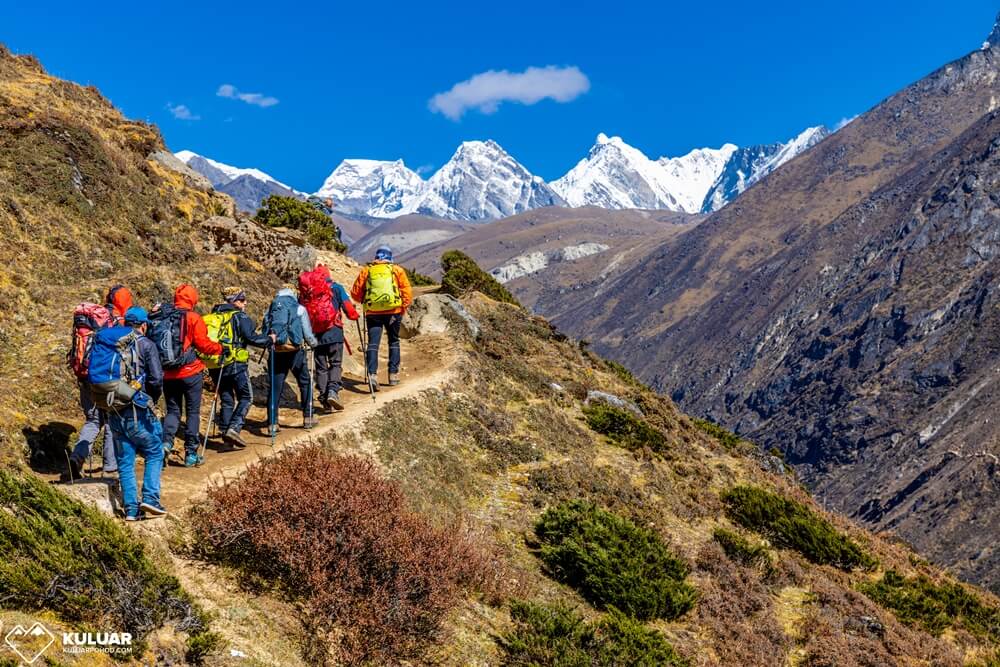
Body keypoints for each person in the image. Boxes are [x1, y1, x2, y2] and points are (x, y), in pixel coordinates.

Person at [94, 306, 165, 521]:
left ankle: (131, 510)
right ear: (143, 325)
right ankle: (151, 499)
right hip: (138, 408)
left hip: (114, 408)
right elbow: (156, 379)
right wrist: (150, 398)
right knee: (154, 451)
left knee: (125, 461)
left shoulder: (111, 345)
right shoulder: (146, 345)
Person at [157, 284, 222, 467]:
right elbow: (203, 345)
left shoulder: (164, 316)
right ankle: (191, 454)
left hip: (168, 373)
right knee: (192, 412)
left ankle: (165, 444)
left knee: (173, 411)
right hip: (191, 372)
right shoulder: (193, 317)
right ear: (193, 299)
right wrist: (220, 349)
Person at [209, 287, 275, 447]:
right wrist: (269, 339)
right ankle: (234, 428)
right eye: (242, 299)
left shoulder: (214, 315)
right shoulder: (240, 317)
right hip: (235, 363)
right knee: (246, 397)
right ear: (234, 301)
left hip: (216, 364)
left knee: (226, 398)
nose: (245, 302)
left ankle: (225, 433)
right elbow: (252, 338)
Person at [350, 245, 412, 387]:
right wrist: (402, 307)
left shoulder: (367, 270)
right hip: (394, 312)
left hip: (373, 313)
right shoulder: (397, 270)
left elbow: (355, 293)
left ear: (376, 257)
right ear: (390, 257)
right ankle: (393, 375)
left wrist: (366, 302)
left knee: (373, 343)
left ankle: (372, 375)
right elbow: (407, 292)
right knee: (394, 341)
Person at [266, 284, 319, 432]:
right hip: (295, 351)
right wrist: (314, 344)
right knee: (304, 381)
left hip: (276, 350)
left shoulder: (273, 307)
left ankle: (272, 423)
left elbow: (266, 327)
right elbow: (307, 333)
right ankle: (308, 417)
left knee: (275, 386)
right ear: (293, 293)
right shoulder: (299, 308)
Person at [313, 266, 359, 411]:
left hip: (316, 335)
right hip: (334, 332)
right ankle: (333, 391)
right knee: (335, 363)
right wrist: (355, 315)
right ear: (328, 275)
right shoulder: (337, 288)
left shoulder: (309, 291)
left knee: (321, 367)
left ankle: (324, 398)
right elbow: (348, 309)